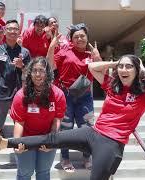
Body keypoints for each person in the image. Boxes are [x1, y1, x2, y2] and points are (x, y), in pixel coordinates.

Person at [0, 54, 145, 180]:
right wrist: (115, 63)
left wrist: (144, 70)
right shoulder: (113, 86)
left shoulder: (144, 95)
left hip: (112, 142)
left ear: (136, 70)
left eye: (128, 67)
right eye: (121, 67)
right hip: (93, 132)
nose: (123, 70)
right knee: (53, 138)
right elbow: (92, 67)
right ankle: (4, 143)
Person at [46, 23, 102, 172]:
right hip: (66, 96)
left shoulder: (91, 55)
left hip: (85, 96)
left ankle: (86, 157)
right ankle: (65, 158)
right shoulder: (65, 52)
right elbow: (49, 65)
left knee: (87, 128)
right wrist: (52, 47)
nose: (79, 39)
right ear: (71, 40)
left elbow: (102, 74)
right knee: (66, 128)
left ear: (87, 38)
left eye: (82, 36)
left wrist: (98, 58)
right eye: (76, 37)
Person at [10, 57, 66, 180]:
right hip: (26, 139)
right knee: (25, 173)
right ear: (30, 73)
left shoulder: (58, 94)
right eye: (34, 70)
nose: (37, 74)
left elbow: (57, 120)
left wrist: (51, 141)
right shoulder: (21, 95)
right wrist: (16, 142)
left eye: (41, 70)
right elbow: (19, 121)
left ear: (48, 73)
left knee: (44, 172)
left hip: (47, 138)